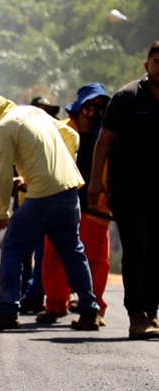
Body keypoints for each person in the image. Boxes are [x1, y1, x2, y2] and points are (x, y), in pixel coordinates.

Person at [0, 91, 100, 330]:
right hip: (69, 191)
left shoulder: (5, 127)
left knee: (13, 248)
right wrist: (61, 167)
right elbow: (71, 135)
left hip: (42, 197)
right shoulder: (35, 112)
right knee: (73, 252)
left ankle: (7, 311)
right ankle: (89, 311)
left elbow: (3, 174)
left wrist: (1, 214)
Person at [88, 41, 159, 339]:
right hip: (129, 188)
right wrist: (95, 181)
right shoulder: (127, 97)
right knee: (136, 249)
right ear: (147, 65)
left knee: (156, 251)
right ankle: (136, 315)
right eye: (157, 60)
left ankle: (151, 314)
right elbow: (103, 141)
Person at [35, 83, 112, 328]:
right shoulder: (62, 131)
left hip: (97, 205)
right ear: (79, 107)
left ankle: (94, 309)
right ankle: (55, 305)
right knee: (54, 255)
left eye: (100, 106)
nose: (94, 110)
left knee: (97, 260)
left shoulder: (109, 135)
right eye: (90, 104)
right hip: (63, 201)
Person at [19, 96, 61, 313]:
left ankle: (37, 294)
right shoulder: (24, 136)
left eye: (48, 111)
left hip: (51, 200)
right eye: (40, 110)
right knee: (27, 250)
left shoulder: (59, 133)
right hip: (28, 202)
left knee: (47, 251)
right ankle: (28, 291)